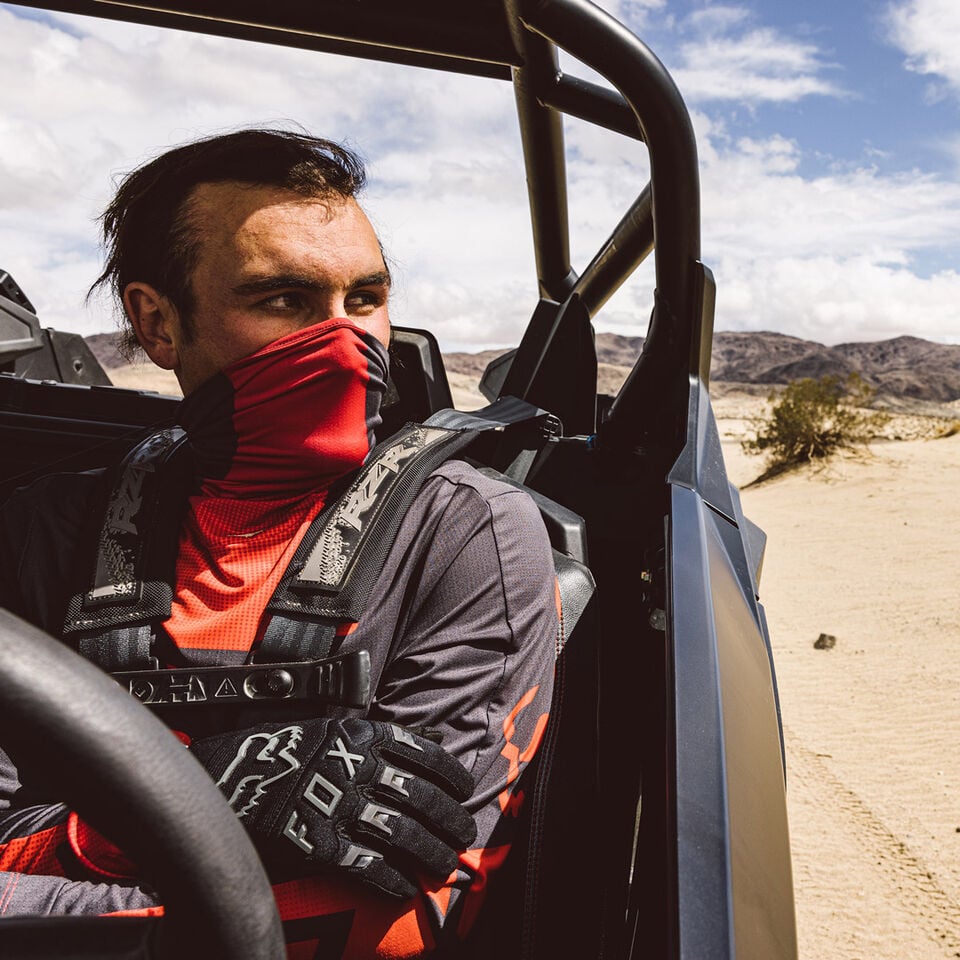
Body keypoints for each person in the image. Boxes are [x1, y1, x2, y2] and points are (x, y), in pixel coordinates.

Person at [0, 129, 557, 957]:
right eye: (283, 301)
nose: (344, 342)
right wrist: (180, 808)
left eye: (364, 299)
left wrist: (70, 849)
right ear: (158, 324)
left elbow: (387, 920)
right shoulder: (48, 528)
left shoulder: (465, 534)